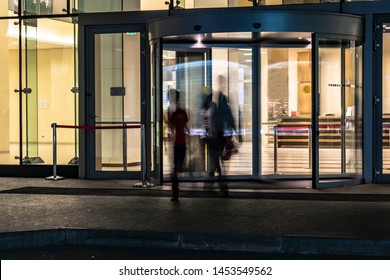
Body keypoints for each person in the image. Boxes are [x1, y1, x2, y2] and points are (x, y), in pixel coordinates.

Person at [169, 89, 188, 202]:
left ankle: (175, 192)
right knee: (177, 167)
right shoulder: (181, 112)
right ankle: (175, 191)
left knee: (175, 168)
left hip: (177, 143)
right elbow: (185, 127)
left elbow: (172, 128)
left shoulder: (174, 113)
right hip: (181, 143)